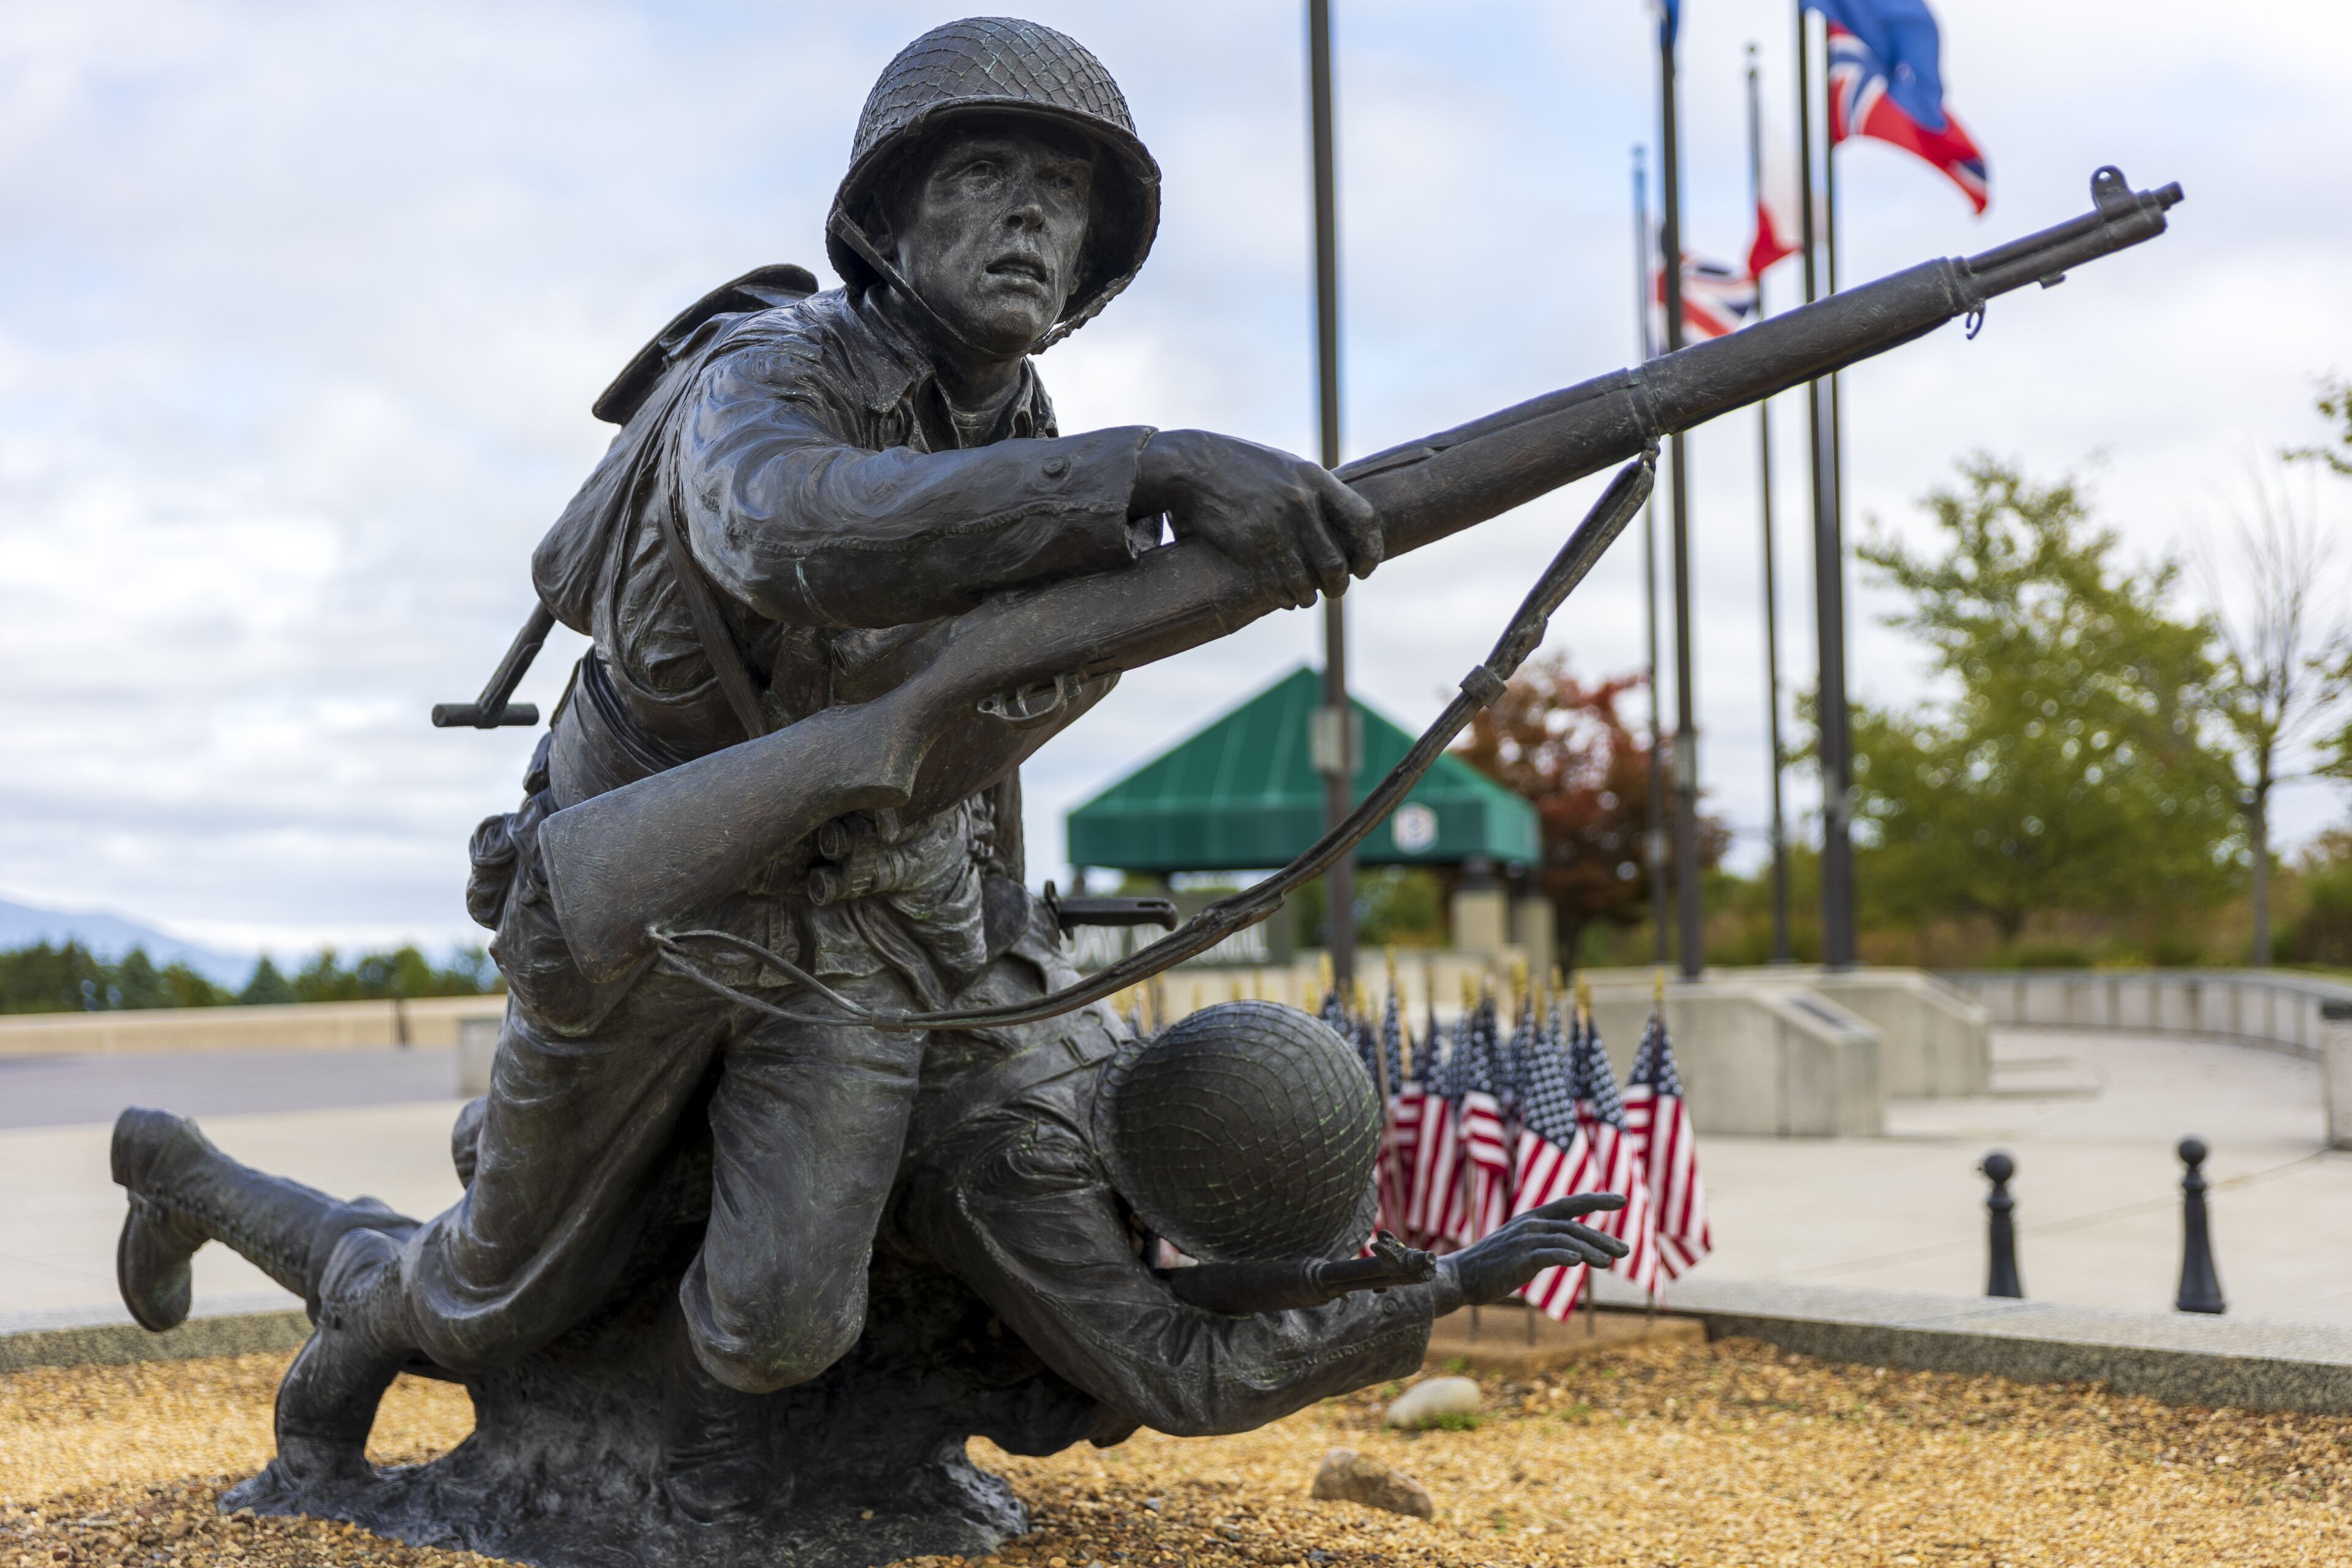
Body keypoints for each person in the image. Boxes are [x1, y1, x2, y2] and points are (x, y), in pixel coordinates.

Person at [111, 16, 1384, 1485]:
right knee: (483, 1294)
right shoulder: (770, 372)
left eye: (1067, 191)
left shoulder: (1034, 437)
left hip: (858, 929)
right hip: (640, 899)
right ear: (889, 218)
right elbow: (793, 529)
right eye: (984, 172)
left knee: (778, 1321)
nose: (1033, 213)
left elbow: (981, 718)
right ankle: (192, 1176)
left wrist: (999, 958)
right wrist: (1151, 466)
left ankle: (709, 1462)